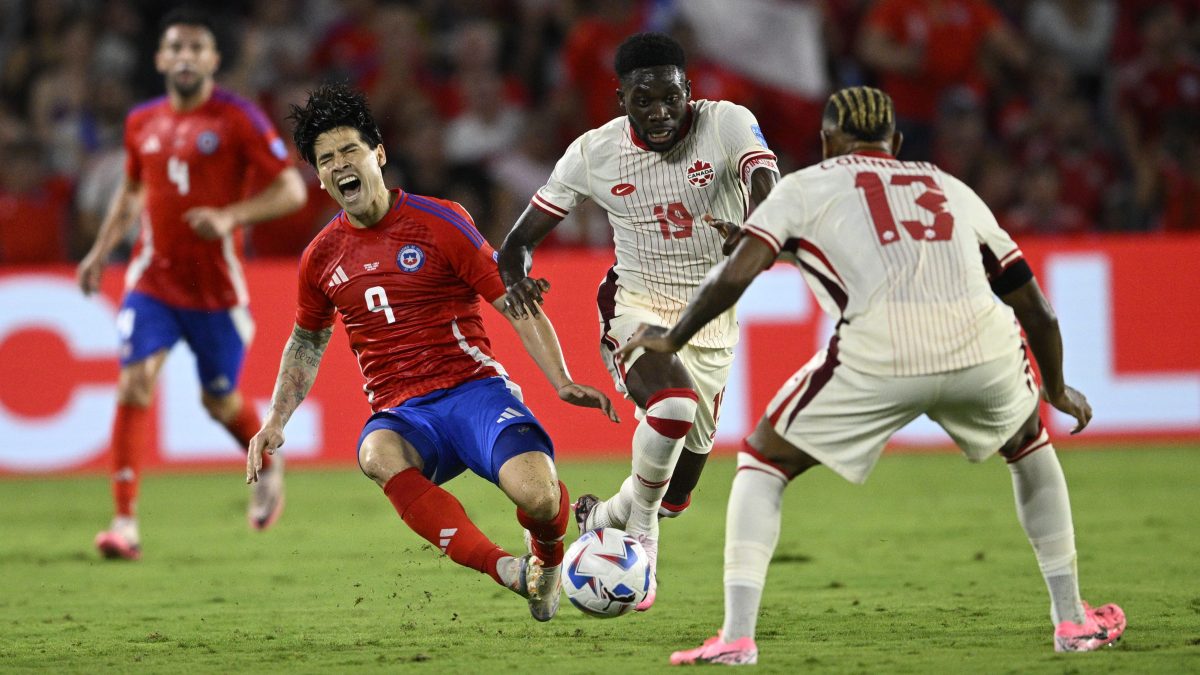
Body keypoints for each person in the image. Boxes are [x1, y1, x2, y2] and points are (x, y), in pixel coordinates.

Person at [617, 86, 1126, 664]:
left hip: (878, 350)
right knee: (1030, 445)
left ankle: (736, 636)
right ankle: (1072, 621)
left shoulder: (804, 186)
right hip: (982, 347)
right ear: (897, 143)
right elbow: (1036, 306)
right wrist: (1055, 389)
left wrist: (672, 337)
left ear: (826, 141)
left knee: (763, 460)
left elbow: (735, 276)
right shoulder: (949, 187)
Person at [247, 83, 618, 621]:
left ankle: (548, 559)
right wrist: (276, 419)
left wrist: (560, 380)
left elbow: (513, 301)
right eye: (325, 159)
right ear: (320, 177)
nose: (339, 165)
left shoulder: (440, 221)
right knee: (376, 454)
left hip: (475, 393)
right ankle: (506, 570)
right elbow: (306, 340)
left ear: (378, 154)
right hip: (403, 413)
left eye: (349, 150)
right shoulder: (320, 257)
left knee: (538, 498)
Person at [498, 32, 779, 612]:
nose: (659, 113)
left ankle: (601, 517)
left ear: (688, 92)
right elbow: (516, 243)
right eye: (643, 99)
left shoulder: (725, 122)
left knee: (676, 494)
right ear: (620, 96)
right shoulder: (593, 152)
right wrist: (516, 275)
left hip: (713, 326)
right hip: (636, 307)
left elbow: (764, 183)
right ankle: (643, 541)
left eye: (670, 98)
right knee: (671, 406)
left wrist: (754, 227)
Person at [76, 8, 307, 560]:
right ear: (159, 59)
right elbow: (131, 193)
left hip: (215, 292)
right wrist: (99, 251)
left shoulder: (238, 118)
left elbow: (292, 191)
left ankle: (268, 467)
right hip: (152, 281)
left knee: (218, 399)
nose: (184, 56)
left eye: (195, 48)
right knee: (134, 385)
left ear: (213, 60)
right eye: (174, 47)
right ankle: (124, 523)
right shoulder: (142, 123)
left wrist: (231, 216)